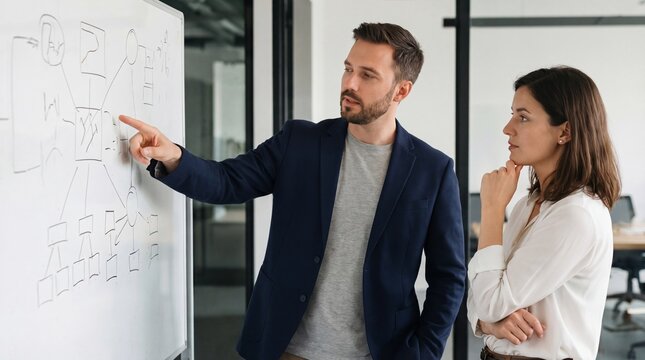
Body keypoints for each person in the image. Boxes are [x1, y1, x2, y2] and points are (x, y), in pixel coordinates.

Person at [120, 22, 465, 360]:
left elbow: (448, 278)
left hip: (381, 351)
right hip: (287, 348)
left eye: (368, 75)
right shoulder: (300, 142)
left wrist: (424, 352)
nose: (349, 83)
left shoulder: (432, 171)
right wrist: (174, 157)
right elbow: (227, 181)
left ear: (401, 91)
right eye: (348, 68)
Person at [467, 66, 621, 359]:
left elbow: (489, 299)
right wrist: (488, 323)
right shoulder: (529, 203)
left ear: (565, 131)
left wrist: (491, 209)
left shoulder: (576, 215)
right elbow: (480, 296)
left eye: (522, 117)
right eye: (512, 114)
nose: (508, 128)